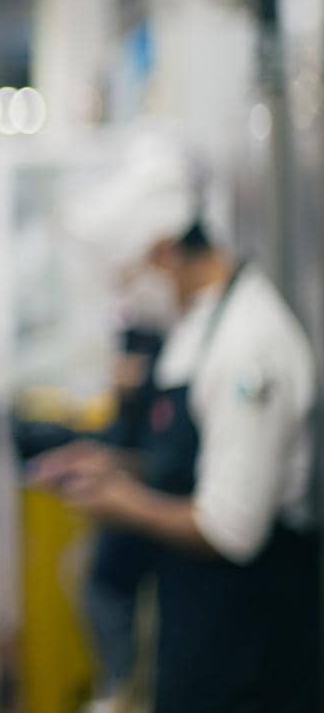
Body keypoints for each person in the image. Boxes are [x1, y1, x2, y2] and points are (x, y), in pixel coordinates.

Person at [33, 148, 319, 713]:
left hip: (249, 644)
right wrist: (114, 466)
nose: (127, 298)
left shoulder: (246, 346)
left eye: (128, 279)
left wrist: (123, 501)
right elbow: (195, 462)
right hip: (198, 622)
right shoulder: (197, 329)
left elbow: (232, 528)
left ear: (164, 253)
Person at [81, 325, 164, 704]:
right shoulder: (126, 409)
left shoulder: (156, 409)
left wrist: (120, 490)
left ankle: (122, 688)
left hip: (137, 558)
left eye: (130, 361)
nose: (120, 370)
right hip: (115, 551)